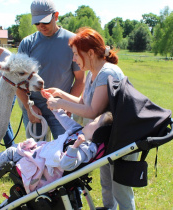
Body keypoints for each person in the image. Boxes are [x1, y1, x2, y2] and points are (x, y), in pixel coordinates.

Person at [43, 27, 138, 210]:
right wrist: (60, 94)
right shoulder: (92, 72)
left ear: (91, 53)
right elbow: (82, 101)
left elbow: (92, 111)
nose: (74, 59)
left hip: (122, 140)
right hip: (106, 139)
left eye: (76, 55)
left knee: (121, 190)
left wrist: (60, 104)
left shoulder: (108, 72)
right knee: (107, 185)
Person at [0, 104, 113, 189]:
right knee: (18, 147)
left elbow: (67, 164)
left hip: (43, 165)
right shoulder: (80, 132)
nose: (89, 121)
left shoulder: (85, 148)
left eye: (94, 122)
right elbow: (66, 121)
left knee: (12, 151)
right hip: (42, 152)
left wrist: (75, 146)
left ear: (98, 132)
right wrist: (55, 108)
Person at [16, 0, 85, 141]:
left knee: (64, 152)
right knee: (35, 155)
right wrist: (29, 108)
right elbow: (17, 80)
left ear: (56, 16)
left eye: (45, 22)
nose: (41, 26)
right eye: (37, 23)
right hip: (34, 109)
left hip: (61, 108)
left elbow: (80, 79)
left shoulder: (73, 41)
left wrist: (69, 106)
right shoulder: (27, 44)